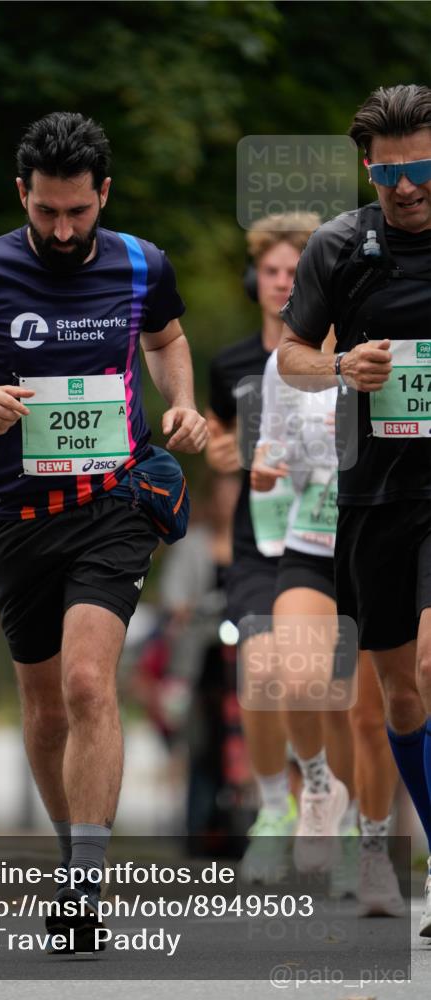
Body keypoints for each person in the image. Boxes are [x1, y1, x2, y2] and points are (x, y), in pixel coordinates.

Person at [0, 112, 207, 948]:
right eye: (46, 212)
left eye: (78, 211)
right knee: (42, 708)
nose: (64, 229)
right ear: (23, 195)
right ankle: (70, 847)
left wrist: (180, 403)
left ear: (102, 194)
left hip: (113, 503)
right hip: (15, 514)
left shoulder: (143, 263)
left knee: (86, 683)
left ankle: (84, 884)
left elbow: (168, 340)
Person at [277, 83, 431, 935]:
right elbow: (290, 356)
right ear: (365, 170)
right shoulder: (340, 246)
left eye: (422, 168)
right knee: (399, 698)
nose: (405, 188)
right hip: (374, 493)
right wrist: (340, 369)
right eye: (386, 173)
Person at [252, 340, 404, 916]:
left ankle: (370, 852)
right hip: (309, 548)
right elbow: (266, 455)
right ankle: (316, 786)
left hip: (378, 545)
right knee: (297, 680)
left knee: (369, 716)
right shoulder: (284, 363)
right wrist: (264, 468)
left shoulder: (401, 344)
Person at [207, 212, 320, 883]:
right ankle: (273, 809)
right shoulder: (231, 365)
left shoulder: (341, 352)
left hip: (330, 535)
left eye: (294, 272)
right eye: (272, 271)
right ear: (255, 280)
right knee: (258, 673)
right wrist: (220, 453)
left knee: (321, 684)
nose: (281, 283)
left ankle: (324, 797)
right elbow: (218, 445)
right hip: (258, 542)